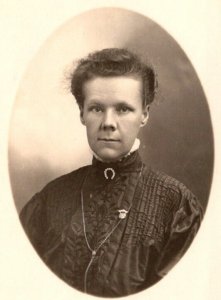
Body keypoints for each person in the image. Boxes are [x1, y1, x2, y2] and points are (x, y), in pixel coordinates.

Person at [20, 48, 203, 297]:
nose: (108, 122)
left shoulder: (176, 207)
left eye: (123, 109)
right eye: (96, 108)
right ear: (82, 114)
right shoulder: (49, 200)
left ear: (144, 114)